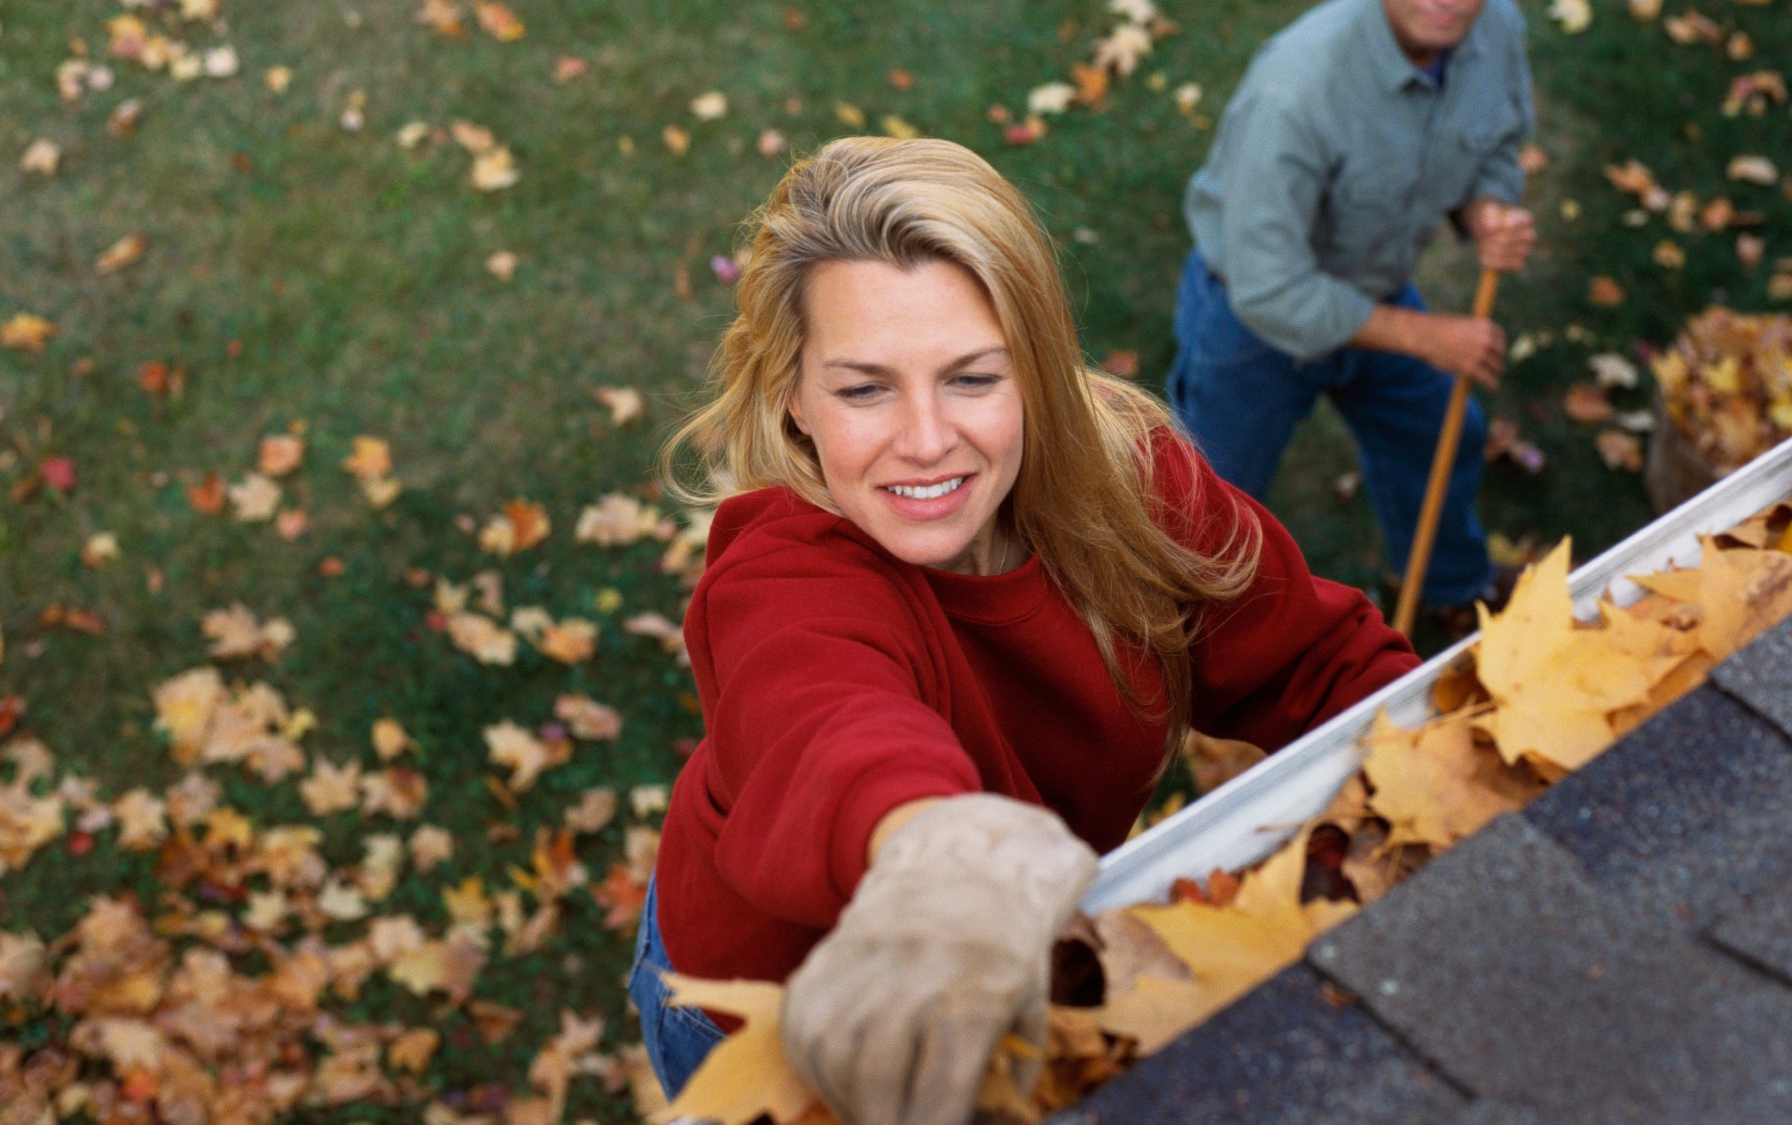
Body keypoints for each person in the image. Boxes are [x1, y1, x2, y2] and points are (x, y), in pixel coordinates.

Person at [631, 136, 1421, 1125]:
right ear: (792, 396)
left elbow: (1318, 660)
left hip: (1010, 967)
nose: (925, 439)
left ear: (1038, 372)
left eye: (971, 377)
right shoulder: (782, 573)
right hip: (774, 1015)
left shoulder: (1131, 485)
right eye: (863, 387)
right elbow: (827, 725)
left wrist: (1436, 784)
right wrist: (948, 857)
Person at [1167, 0, 1537, 614]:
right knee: (1207, 505)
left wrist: (1486, 207)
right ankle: (1180, 634)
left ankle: (1452, 589)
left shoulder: (1495, 27)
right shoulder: (1296, 87)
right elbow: (1270, 287)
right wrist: (1424, 338)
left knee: (1442, 436)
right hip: (1250, 321)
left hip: (1374, 286)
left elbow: (1498, 140)